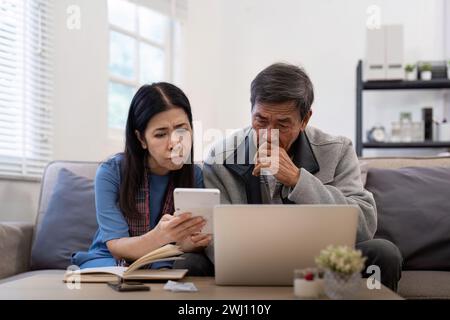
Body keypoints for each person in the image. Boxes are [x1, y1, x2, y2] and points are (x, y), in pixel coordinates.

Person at [203, 63, 403, 291]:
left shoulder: (337, 150)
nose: (269, 134)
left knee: (384, 253)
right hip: (248, 262)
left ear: (305, 120)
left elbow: (364, 225)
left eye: (283, 124)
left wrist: (299, 180)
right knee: (192, 263)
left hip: (322, 261)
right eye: (261, 120)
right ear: (251, 112)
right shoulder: (220, 157)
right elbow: (211, 236)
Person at [72, 82, 214, 276]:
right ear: (141, 139)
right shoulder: (110, 172)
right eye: (161, 134)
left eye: (182, 129)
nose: (175, 144)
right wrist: (160, 236)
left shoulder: (195, 175)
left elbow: (189, 240)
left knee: (179, 267)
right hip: (110, 258)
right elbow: (116, 246)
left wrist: (189, 244)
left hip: (164, 257)